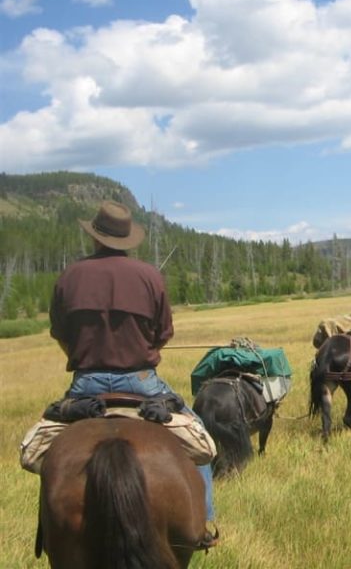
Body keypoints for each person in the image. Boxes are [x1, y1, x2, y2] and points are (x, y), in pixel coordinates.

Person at [49, 200, 218, 546]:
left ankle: (48, 531)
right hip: (142, 383)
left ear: (95, 237)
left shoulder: (70, 276)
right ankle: (203, 523)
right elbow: (163, 334)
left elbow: (60, 332)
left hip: (86, 385)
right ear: (127, 239)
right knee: (198, 439)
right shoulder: (149, 276)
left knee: (45, 451)